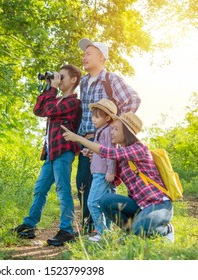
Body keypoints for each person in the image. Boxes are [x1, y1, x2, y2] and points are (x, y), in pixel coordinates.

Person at [61, 112, 174, 242]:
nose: (111, 132)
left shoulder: (139, 149)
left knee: (141, 229)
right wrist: (94, 156)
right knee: (106, 200)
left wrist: (79, 139)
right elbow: (113, 177)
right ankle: (133, 232)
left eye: (116, 129)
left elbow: (109, 152)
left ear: (126, 132)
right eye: (112, 128)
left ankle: (166, 229)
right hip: (139, 206)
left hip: (158, 205)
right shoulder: (121, 158)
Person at [11, 64, 82, 246]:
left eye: (62, 76)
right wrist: (48, 88)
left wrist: (51, 89)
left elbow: (50, 111)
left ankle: (67, 230)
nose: (59, 79)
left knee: (62, 190)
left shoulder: (74, 102)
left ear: (73, 80)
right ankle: (29, 226)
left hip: (63, 151)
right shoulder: (56, 99)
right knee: (40, 189)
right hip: (50, 152)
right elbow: (38, 109)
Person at [76, 39, 141, 234]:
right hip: (87, 140)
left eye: (88, 53)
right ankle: (94, 228)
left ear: (101, 57)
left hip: (104, 143)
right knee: (83, 183)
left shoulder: (110, 79)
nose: (84, 57)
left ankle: (102, 231)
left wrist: (116, 125)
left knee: (102, 183)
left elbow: (134, 99)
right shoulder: (84, 82)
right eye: (84, 54)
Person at [83, 98, 117, 242]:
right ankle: (107, 232)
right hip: (100, 171)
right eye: (93, 116)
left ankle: (102, 232)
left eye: (97, 116)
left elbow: (111, 152)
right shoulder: (101, 131)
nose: (93, 119)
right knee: (106, 203)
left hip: (102, 173)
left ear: (107, 117)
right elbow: (100, 151)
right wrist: (88, 151)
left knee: (92, 202)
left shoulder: (107, 131)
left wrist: (111, 171)